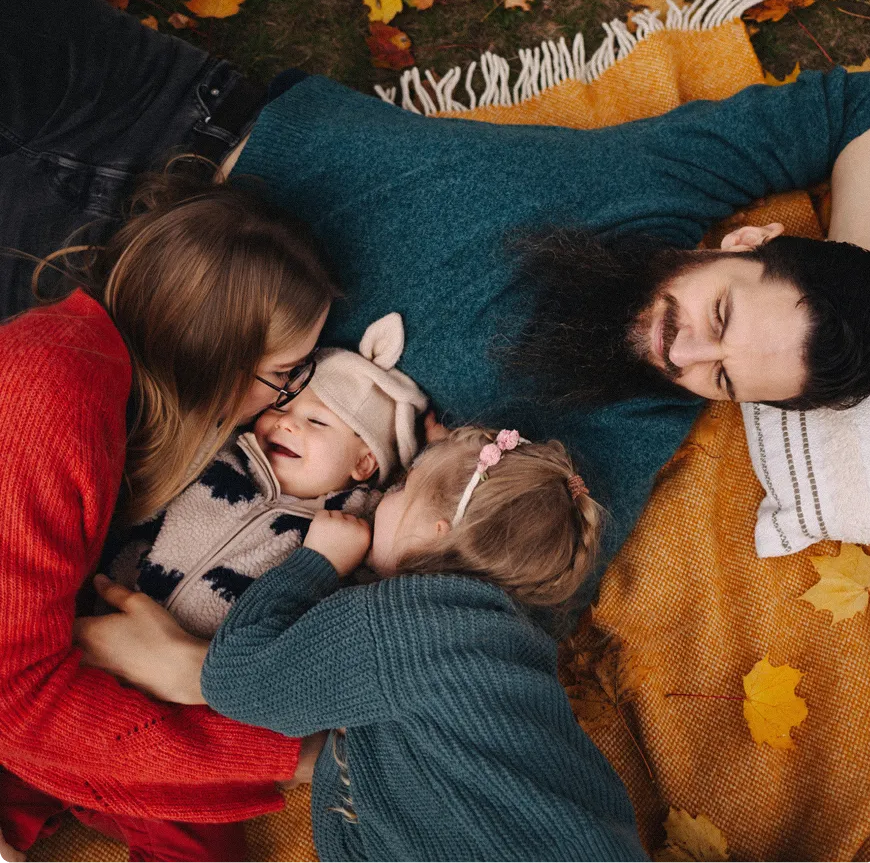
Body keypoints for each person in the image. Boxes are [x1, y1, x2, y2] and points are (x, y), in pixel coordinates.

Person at [3, 0, 870, 566]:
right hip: (169, 111)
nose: (681, 350)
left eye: (722, 376)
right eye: (720, 313)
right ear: (746, 241)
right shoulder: (672, 177)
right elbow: (856, 106)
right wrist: (860, 281)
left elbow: (506, 587)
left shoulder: (613, 438)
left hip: (103, 311)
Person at [77, 427, 651, 863]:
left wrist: (316, 562)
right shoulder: (515, 647)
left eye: (401, 488)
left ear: (436, 533)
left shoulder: (407, 621)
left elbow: (235, 680)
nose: (382, 498)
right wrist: (444, 472)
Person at [0, 174, 341, 862]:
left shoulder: (110, 388)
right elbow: (17, 699)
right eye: (285, 374)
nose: (285, 399)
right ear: (212, 354)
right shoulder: (49, 394)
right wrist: (292, 753)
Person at [107, 311, 428, 640]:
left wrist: (434, 459)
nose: (286, 422)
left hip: (211, 661)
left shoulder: (360, 531)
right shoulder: (218, 456)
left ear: (364, 463)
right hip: (108, 611)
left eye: (316, 421)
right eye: (279, 407)